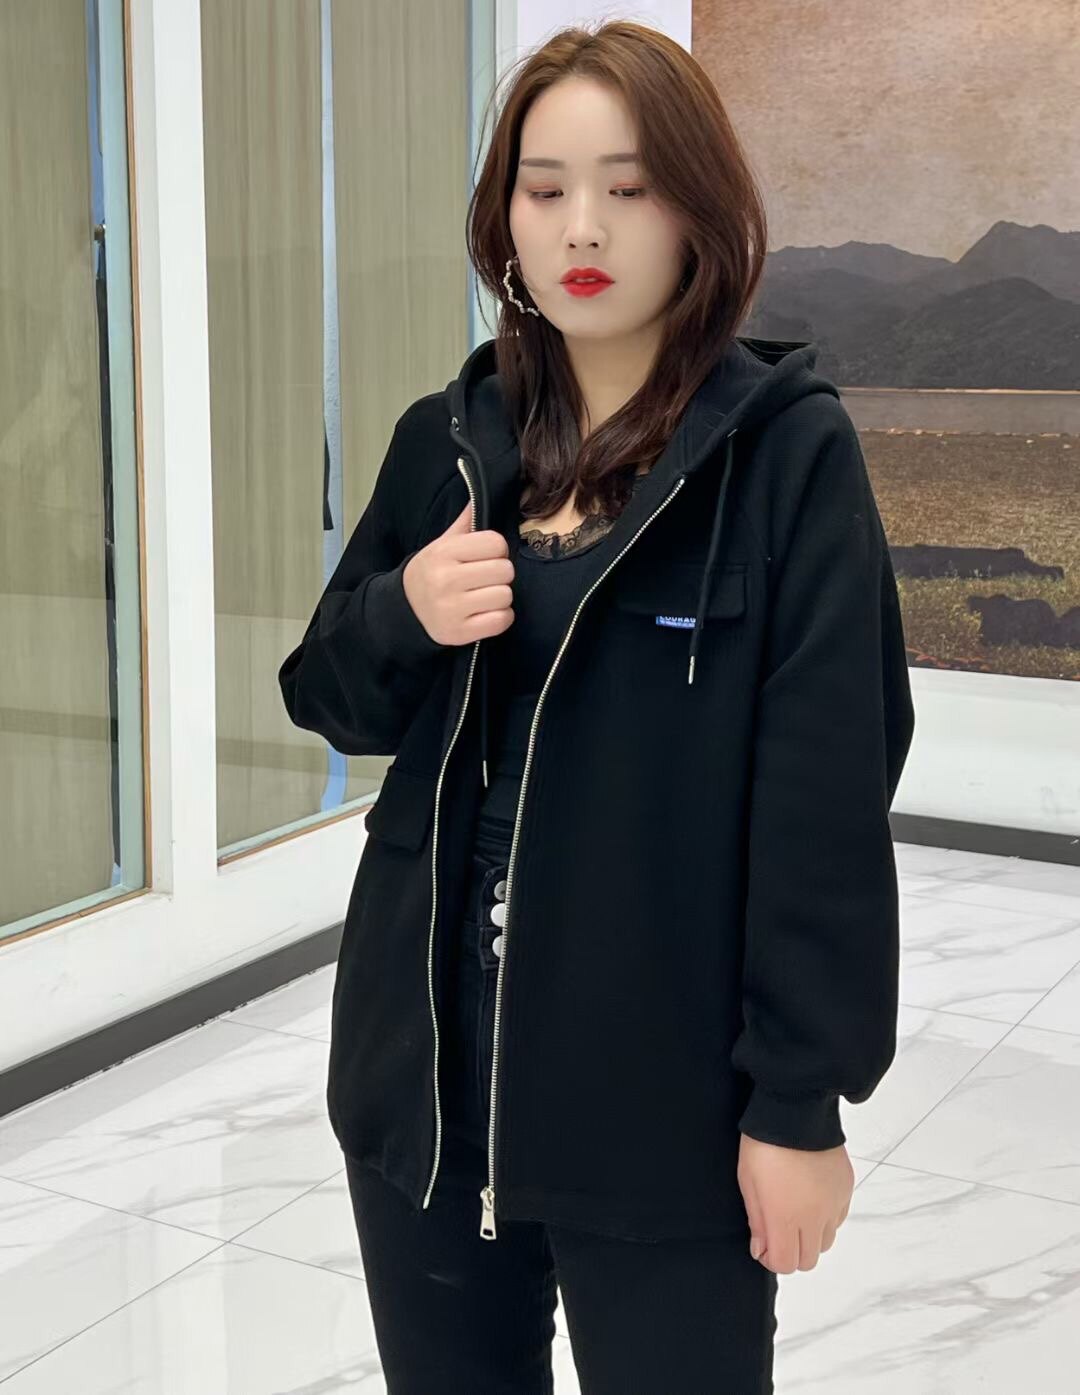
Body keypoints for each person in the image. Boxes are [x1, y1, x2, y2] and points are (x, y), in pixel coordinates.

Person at [278, 19, 916, 1394]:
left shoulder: (786, 458)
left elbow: (826, 803)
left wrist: (797, 1105)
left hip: (663, 1110)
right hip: (426, 1093)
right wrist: (401, 611)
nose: (583, 226)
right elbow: (330, 699)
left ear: (699, 212)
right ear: (504, 215)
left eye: (629, 187)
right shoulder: (449, 440)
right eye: (545, 186)